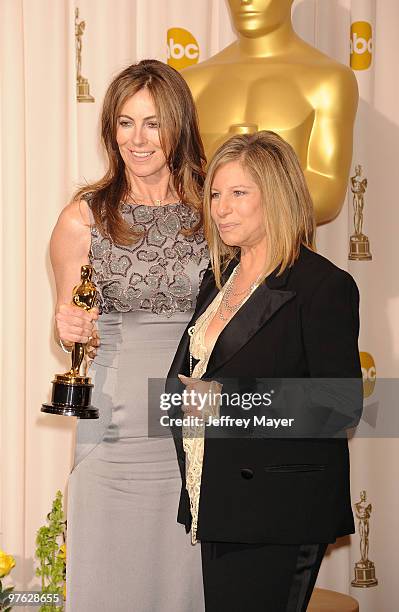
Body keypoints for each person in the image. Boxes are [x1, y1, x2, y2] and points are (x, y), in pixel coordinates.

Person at [167, 130, 363, 611]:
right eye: (216, 194)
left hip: (279, 513)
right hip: (215, 501)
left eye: (238, 194)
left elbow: (343, 408)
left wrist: (226, 403)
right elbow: (185, 385)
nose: (220, 208)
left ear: (275, 196)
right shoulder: (215, 283)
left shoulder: (322, 285)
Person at [50, 59, 209, 611]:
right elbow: (72, 326)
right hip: (116, 433)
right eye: (124, 122)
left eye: (152, 123)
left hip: (197, 433)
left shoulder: (215, 212)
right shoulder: (84, 217)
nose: (137, 139)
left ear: (179, 127)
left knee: (185, 586)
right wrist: (70, 326)